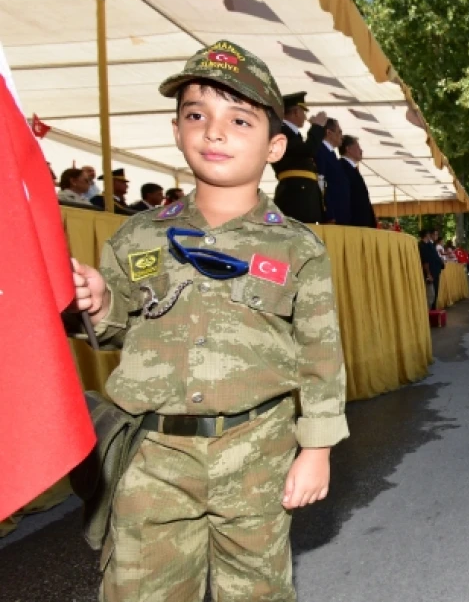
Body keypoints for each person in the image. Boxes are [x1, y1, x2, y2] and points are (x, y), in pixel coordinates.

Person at [69, 39, 348, 601]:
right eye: (197, 115)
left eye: (239, 120)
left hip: (256, 452)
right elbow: (118, 326)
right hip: (153, 455)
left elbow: (321, 356)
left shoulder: (298, 248)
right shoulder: (137, 235)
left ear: (273, 146)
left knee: (257, 590)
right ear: (177, 131)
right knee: (140, 589)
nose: (214, 132)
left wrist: (316, 450)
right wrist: (98, 301)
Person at [272, 91, 328, 223]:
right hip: (295, 192)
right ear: (296, 112)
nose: (305, 116)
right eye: (304, 112)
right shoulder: (281, 131)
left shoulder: (292, 133)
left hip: (302, 191)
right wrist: (317, 127)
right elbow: (307, 151)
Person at [338, 134, 378, 228]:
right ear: (348, 149)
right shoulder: (341, 167)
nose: (361, 150)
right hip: (353, 223)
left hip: (363, 223)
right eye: (358, 147)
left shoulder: (352, 169)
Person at [419, 228, 445, 309]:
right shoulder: (423, 245)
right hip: (431, 273)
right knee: (431, 294)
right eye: (430, 234)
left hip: (435, 271)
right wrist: (428, 274)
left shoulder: (429, 244)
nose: (431, 236)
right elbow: (425, 261)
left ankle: (433, 310)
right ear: (426, 235)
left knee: (434, 293)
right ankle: (430, 311)